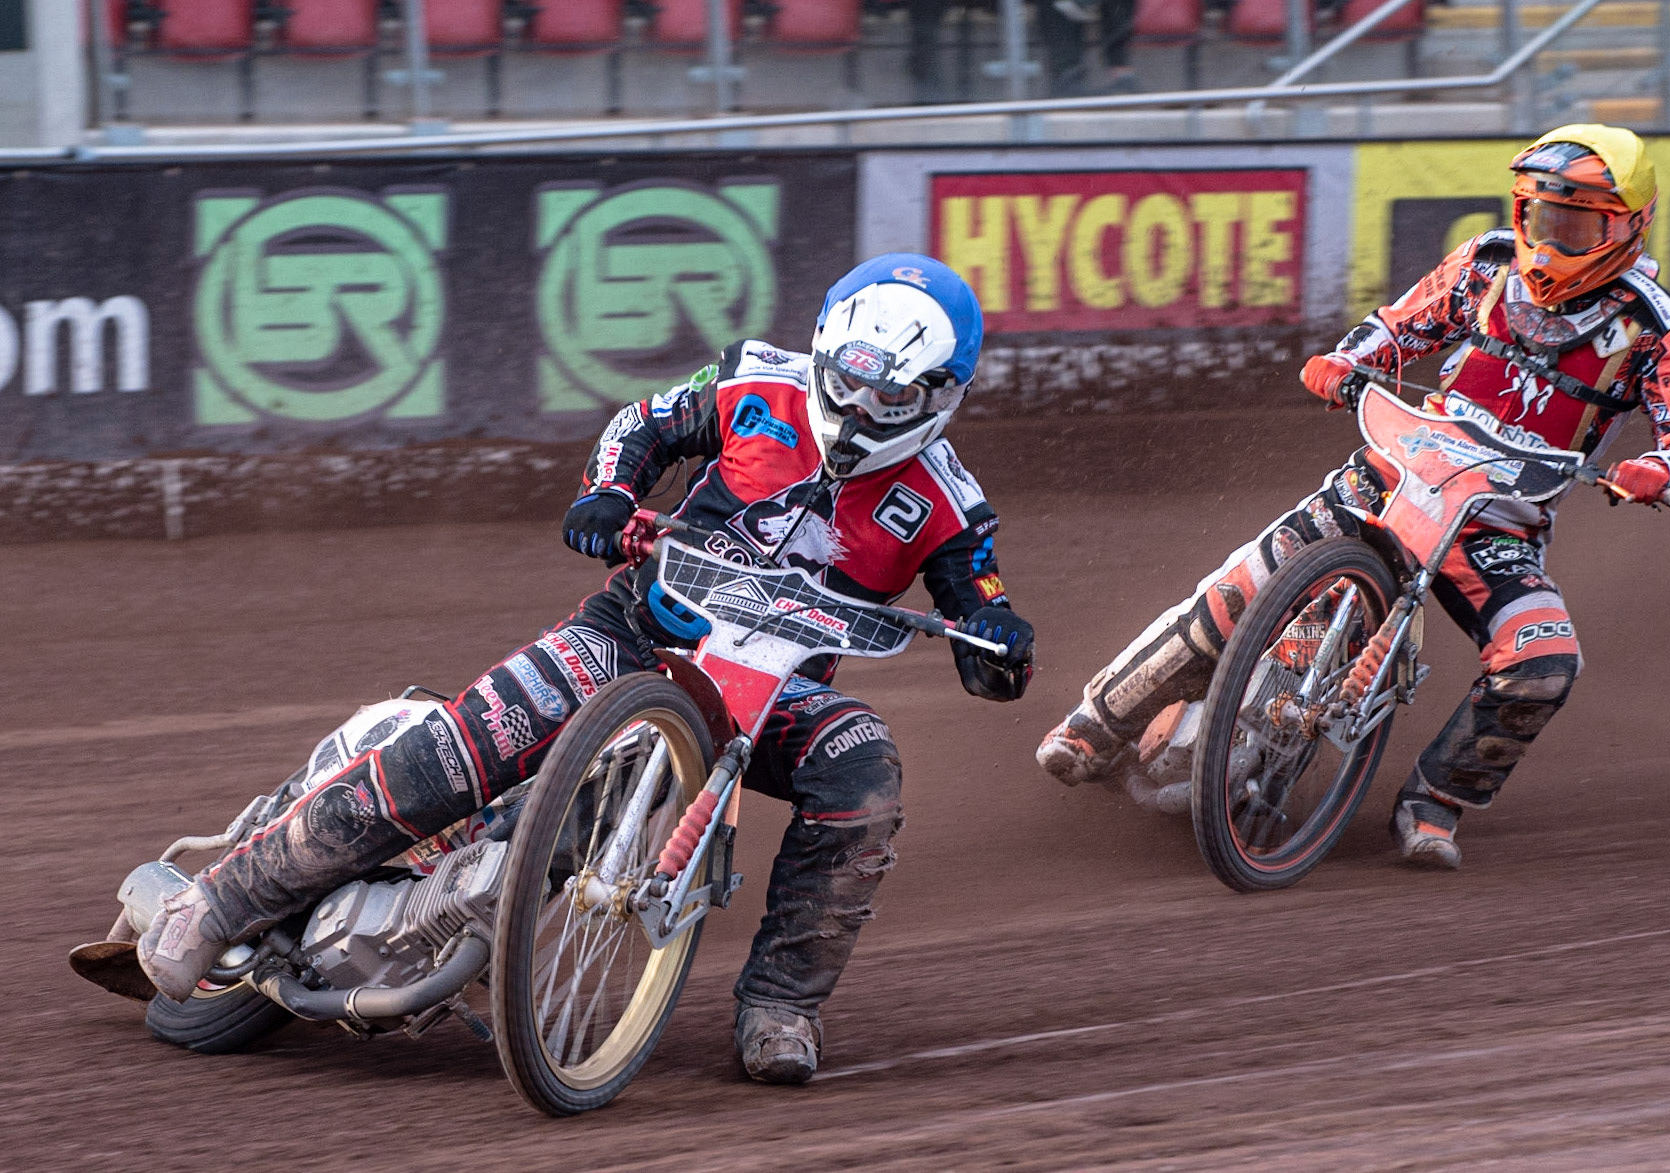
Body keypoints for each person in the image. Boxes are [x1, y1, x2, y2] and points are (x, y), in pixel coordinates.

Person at [135, 253, 1035, 1084]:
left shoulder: (952, 506)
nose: (860, 406)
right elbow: (642, 424)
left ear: (940, 396)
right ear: (825, 348)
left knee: (864, 767)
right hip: (634, 630)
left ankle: (781, 1006)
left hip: (771, 695)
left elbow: (985, 634)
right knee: (462, 746)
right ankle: (220, 902)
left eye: (890, 396)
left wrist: (999, 639)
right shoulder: (756, 379)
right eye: (846, 379)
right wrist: (608, 493)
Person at [1038, 124, 1670, 869]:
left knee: (1543, 661)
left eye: (1577, 226)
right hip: (1392, 473)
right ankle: (1096, 723)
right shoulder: (1486, 263)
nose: (1551, 241)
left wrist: (1662, 473)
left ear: (1629, 225)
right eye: (1541, 216)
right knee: (1242, 587)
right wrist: (1342, 362)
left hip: (1495, 528)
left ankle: (1435, 803)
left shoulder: (1658, 329)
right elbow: (1398, 328)